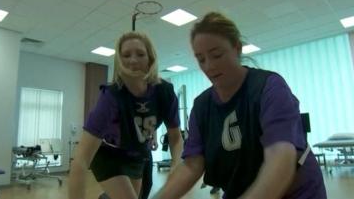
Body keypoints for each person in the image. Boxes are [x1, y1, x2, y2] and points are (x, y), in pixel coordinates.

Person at [153, 12, 327, 199]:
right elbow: (192, 164)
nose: (209, 66)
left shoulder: (269, 87)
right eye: (201, 59)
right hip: (242, 190)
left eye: (216, 55)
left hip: (297, 192)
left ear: (237, 48)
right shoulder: (202, 106)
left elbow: (280, 159)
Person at [68, 31, 183, 199]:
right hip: (108, 155)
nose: (133, 60)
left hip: (136, 154)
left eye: (140, 54)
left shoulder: (164, 92)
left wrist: (176, 163)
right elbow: (80, 160)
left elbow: (176, 137)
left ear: (150, 58)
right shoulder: (111, 97)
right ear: (119, 62)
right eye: (126, 55)